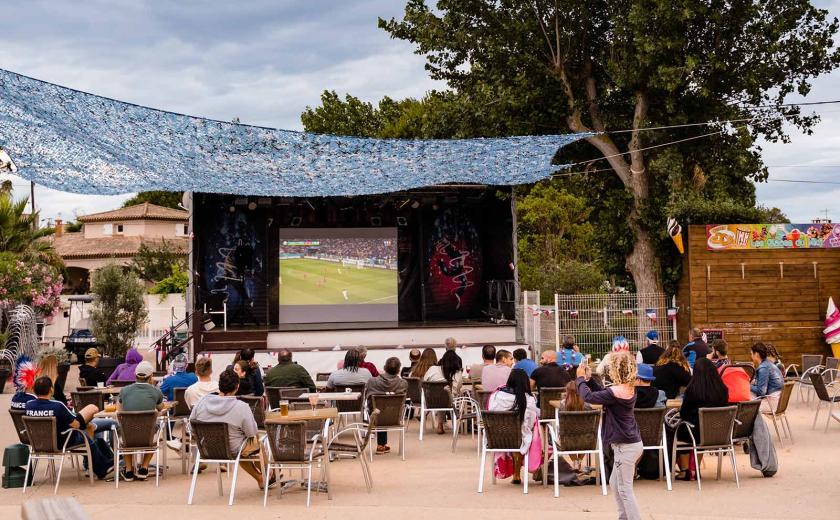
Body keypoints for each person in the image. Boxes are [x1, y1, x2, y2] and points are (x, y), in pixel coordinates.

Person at [576, 352, 643, 520]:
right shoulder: (624, 388)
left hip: (625, 447)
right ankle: (623, 517)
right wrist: (589, 380)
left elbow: (589, 397)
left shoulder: (616, 391)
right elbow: (603, 394)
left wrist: (579, 380)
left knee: (625, 489)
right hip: (630, 444)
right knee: (615, 483)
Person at [190, 368, 274, 490]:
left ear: (219, 385)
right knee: (255, 445)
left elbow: (192, 426)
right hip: (234, 449)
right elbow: (251, 433)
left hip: (207, 448)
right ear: (237, 386)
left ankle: (262, 479)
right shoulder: (241, 407)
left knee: (243, 448)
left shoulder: (202, 402)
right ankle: (268, 474)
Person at [25, 376, 113, 480]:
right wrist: (86, 418)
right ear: (51, 389)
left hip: (39, 442)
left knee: (88, 429)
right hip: (63, 441)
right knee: (85, 433)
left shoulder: (29, 405)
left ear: (34, 390)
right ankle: (101, 468)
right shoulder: (57, 405)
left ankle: (101, 462)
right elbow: (76, 425)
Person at [674, 357, 729, 480]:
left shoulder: (692, 391)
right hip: (718, 432)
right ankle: (696, 468)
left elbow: (684, 413)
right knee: (702, 430)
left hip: (695, 433)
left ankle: (685, 470)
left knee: (681, 429)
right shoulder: (723, 390)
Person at [488, 369, 540, 485]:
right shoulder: (529, 400)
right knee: (528, 435)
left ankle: (516, 474)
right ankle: (530, 470)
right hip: (519, 439)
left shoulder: (495, 396)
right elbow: (531, 424)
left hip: (496, 438)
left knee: (518, 435)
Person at [118, 361, 166, 481]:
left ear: (135, 375)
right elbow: (161, 408)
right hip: (147, 435)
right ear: (150, 377)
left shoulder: (124, 391)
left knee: (124, 431)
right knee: (157, 429)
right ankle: (144, 467)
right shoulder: (155, 391)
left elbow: (119, 409)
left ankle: (128, 470)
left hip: (128, 435)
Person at [364, 357, 408, 454]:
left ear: (384, 367)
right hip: (395, 416)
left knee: (379, 408)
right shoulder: (403, 383)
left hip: (376, 416)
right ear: (398, 370)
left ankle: (381, 445)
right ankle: (381, 444)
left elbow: (367, 398)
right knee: (385, 408)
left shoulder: (372, 381)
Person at [423, 349, 464, 434]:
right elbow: (457, 390)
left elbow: (424, 382)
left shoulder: (432, 369)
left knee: (440, 395)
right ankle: (459, 423)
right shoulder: (457, 373)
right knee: (448, 395)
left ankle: (440, 425)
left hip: (430, 401)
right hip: (449, 403)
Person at [750, 342, 784, 411]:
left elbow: (761, 391)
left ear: (756, 354)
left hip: (771, 403)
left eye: (751, 354)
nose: (751, 357)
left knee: (746, 405)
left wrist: (747, 386)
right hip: (779, 401)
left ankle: (761, 422)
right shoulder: (769, 364)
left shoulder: (763, 368)